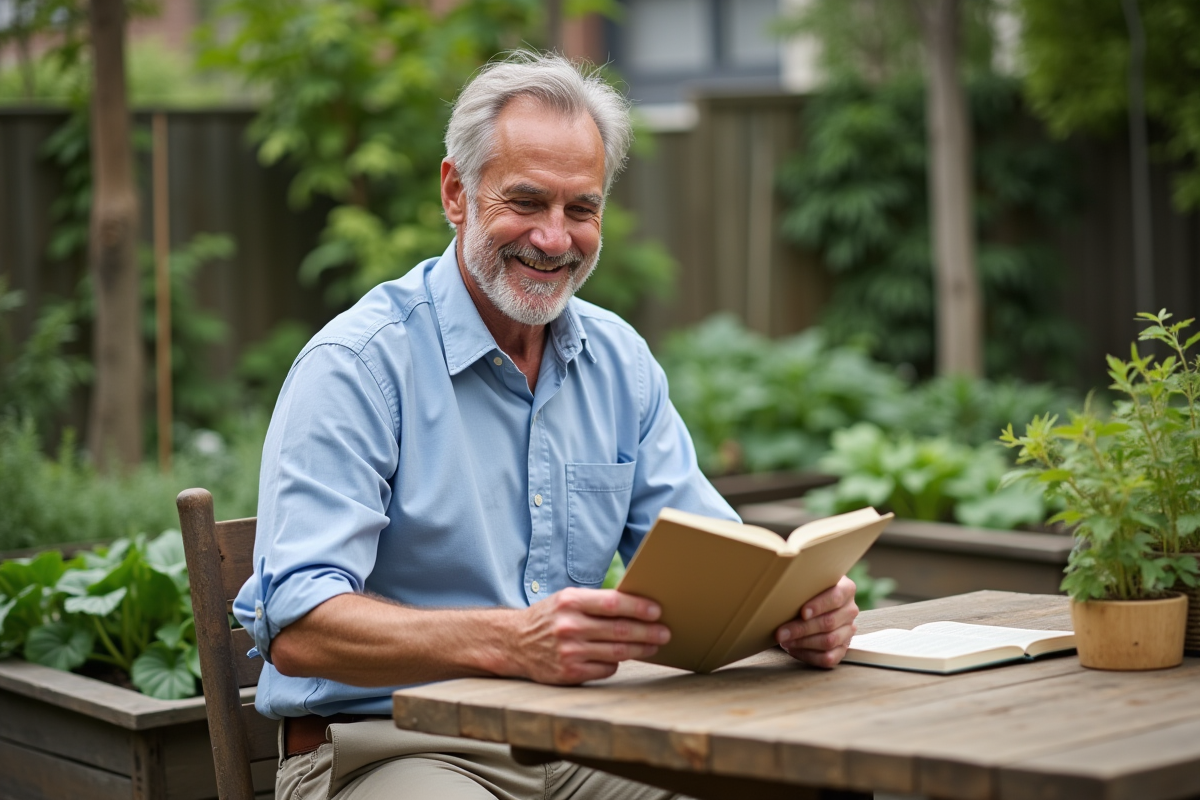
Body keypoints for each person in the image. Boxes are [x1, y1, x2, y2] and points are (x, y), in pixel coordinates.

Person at [233, 51, 859, 800]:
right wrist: (513, 640)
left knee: (809, 782)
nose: (555, 239)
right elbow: (299, 624)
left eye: (581, 209)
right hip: (392, 748)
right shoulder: (358, 364)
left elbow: (722, 565)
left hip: (583, 737)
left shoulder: (618, 362)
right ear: (456, 192)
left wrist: (796, 611)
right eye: (526, 202)